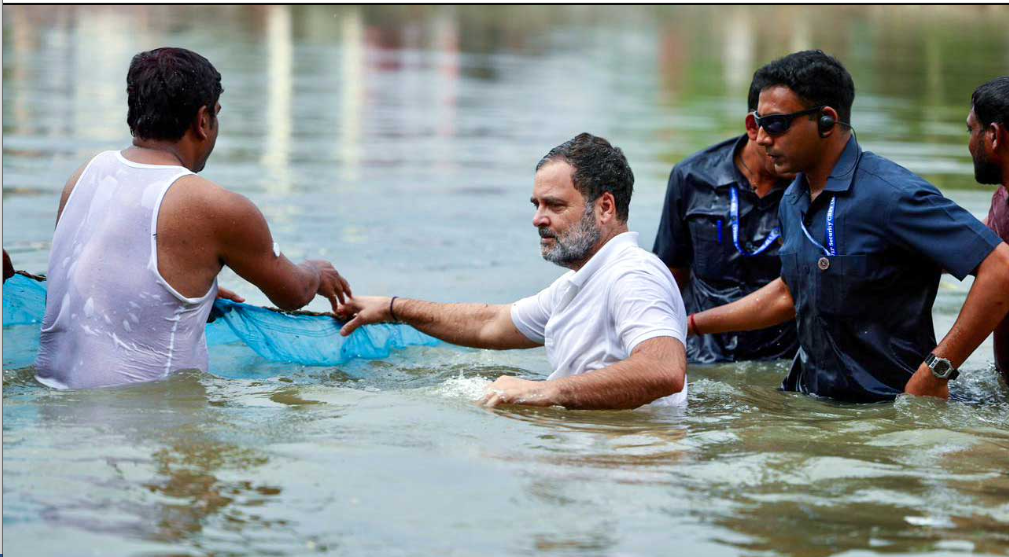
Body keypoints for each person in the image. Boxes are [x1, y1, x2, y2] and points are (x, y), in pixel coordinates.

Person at [687, 50, 1009, 402]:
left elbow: (1001, 268)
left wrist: (936, 372)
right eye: (758, 123)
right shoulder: (793, 200)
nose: (762, 138)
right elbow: (790, 293)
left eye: (776, 124)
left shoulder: (890, 194)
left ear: (826, 121)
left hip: (887, 413)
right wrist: (692, 325)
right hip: (814, 404)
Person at [35, 47, 352, 390]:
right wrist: (316, 273)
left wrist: (189, 289)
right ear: (203, 120)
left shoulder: (84, 175)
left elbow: (92, 282)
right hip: (144, 415)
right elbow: (292, 293)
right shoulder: (215, 207)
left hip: (51, 400)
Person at [338, 133, 688, 410]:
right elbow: (489, 324)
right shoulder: (577, 284)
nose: (537, 219)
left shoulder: (633, 275)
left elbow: (663, 369)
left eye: (554, 205)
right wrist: (393, 308)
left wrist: (545, 391)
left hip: (631, 458)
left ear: (605, 207)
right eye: (537, 205)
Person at [654, 78, 797, 364]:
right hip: (699, 356)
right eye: (780, 129)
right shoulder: (691, 176)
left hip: (780, 361)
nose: (794, 148)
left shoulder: (815, 190)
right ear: (754, 128)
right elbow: (669, 275)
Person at [968, 76, 1009, 382]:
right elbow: (975, 245)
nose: (969, 144)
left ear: (993, 136)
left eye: (971, 130)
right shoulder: (1004, 198)